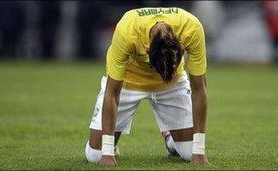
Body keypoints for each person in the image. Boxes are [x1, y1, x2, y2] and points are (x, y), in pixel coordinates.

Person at [85, 7, 210, 167]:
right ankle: (112, 142)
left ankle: (169, 138)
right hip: (129, 80)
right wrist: (107, 152)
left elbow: (199, 90)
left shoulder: (191, 28)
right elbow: (112, 93)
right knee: (95, 155)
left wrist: (199, 151)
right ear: (147, 50)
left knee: (189, 152)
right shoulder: (127, 29)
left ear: (181, 45)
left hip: (172, 81)